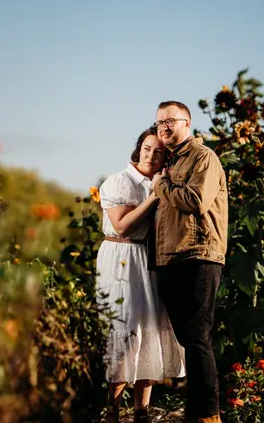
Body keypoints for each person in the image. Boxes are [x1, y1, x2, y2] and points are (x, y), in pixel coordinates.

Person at [96, 127, 186, 423]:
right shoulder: (119, 182)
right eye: (148, 148)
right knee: (124, 329)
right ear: (139, 149)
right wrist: (152, 197)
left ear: (165, 158)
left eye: (159, 152)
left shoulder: (160, 182)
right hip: (120, 258)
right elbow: (121, 226)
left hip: (147, 259)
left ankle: (142, 412)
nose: (151, 155)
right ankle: (112, 410)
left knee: (148, 327)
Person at [151, 101, 228, 423]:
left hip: (199, 254)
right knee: (188, 339)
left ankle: (209, 415)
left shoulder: (203, 157)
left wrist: (162, 185)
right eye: (158, 124)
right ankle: (195, 411)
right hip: (171, 259)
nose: (164, 127)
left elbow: (196, 201)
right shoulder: (170, 162)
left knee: (197, 337)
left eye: (170, 121)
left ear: (187, 123)